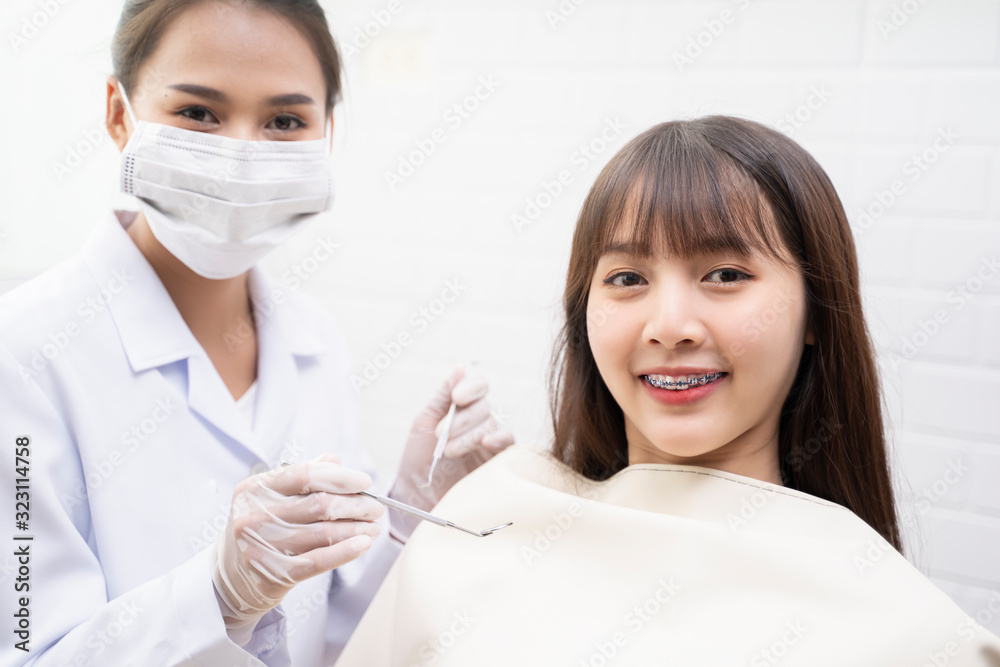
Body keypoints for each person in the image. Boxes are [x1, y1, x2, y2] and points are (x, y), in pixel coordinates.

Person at [335, 116, 1000, 665]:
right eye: (627, 278)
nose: (670, 326)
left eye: (725, 273)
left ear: (816, 313)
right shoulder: (482, 519)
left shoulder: (909, 635)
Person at [0, 1, 512, 665]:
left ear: (327, 133)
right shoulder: (24, 353)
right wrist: (218, 596)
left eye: (283, 121)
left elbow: (341, 632)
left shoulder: (313, 338)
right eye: (198, 112)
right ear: (119, 114)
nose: (241, 154)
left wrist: (407, 519)